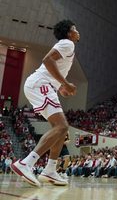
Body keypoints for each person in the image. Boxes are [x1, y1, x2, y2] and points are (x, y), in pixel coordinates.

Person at [11, 20, 79, 187]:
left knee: (61, 130)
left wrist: (60, 85)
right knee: (61, 127)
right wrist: (64, 83)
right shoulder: (67, 43)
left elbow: (52, 65)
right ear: (69, 32)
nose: (78, 32)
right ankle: (26, 163)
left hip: (42, 85)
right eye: (75, 29)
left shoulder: (66, 45)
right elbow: (47, 60)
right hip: (40, 84)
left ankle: (50, 169)